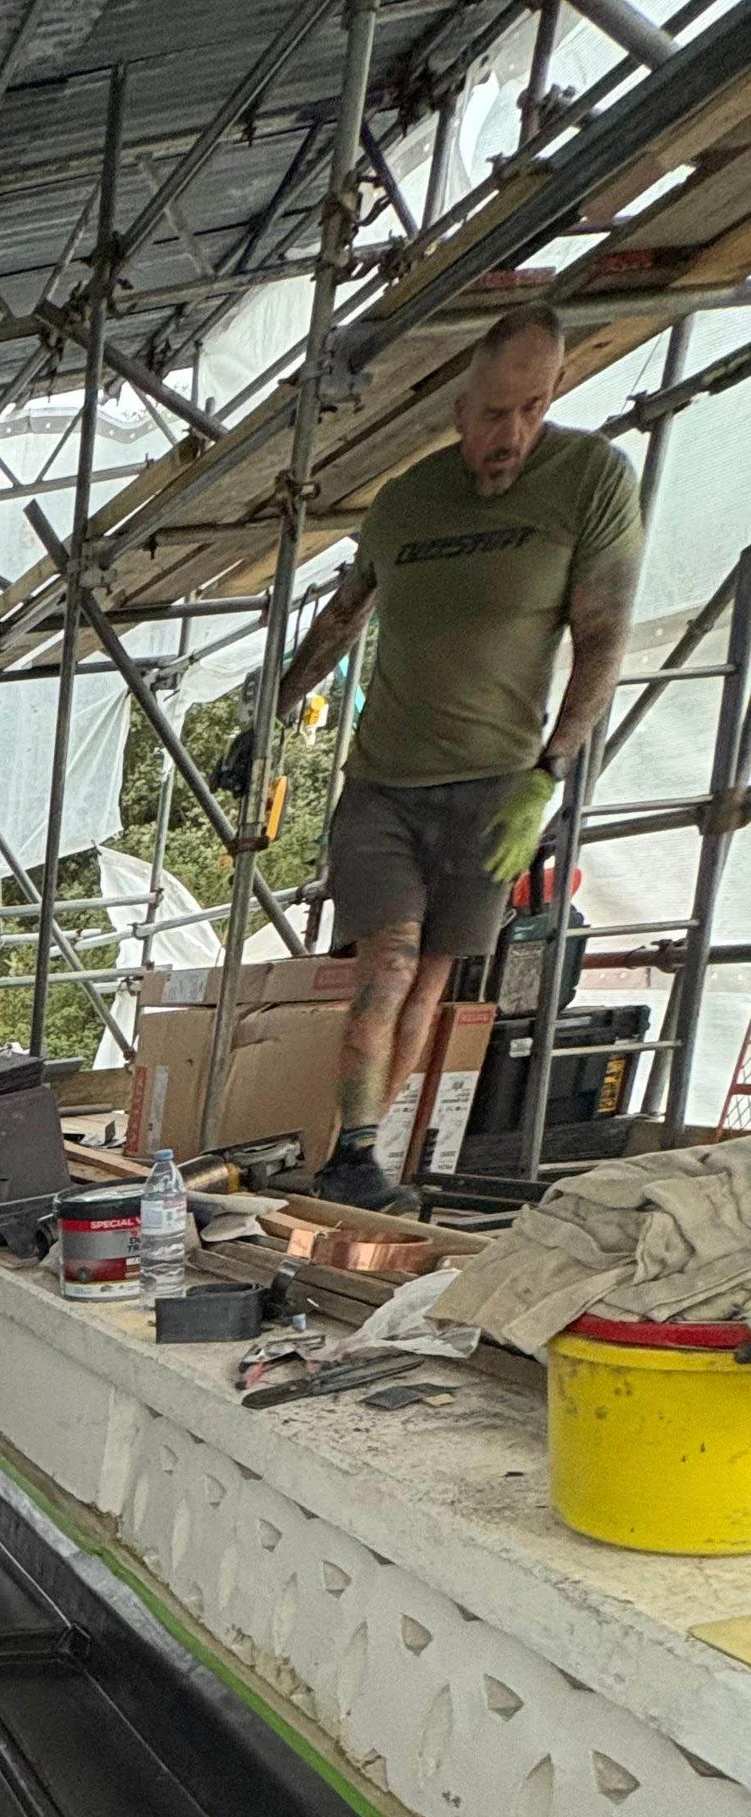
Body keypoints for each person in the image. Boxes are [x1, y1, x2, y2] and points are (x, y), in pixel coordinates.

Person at [219, 303, 640, 1204]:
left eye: (532, 408)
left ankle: (364, 1157)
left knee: (432, 978)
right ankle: (354, 1148)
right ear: (459, 408)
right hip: (386, 781)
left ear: (555, 392)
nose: (511, 433)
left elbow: (604, 639)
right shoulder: (408, 502)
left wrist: (548, 777)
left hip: (496, 783)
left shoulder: (591, 482)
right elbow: (343, 615)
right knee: (389, 964)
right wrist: (272, 713)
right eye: (494, 412)